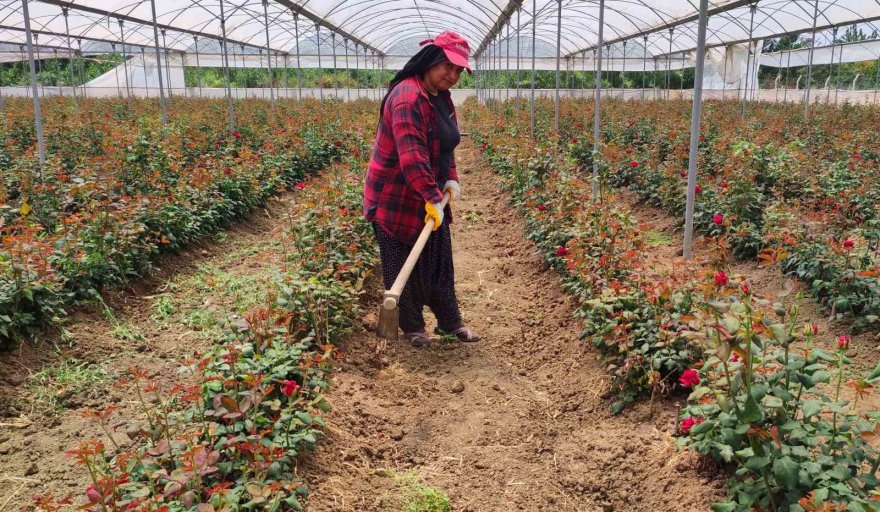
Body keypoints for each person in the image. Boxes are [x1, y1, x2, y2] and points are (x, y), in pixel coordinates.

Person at [363, 31, 481, 347]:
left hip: (428, 191)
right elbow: (412, 156)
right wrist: (432, 197)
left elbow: (446, 145)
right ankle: (412, 327)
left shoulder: (440, 98)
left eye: (458, 70)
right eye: (448, 66)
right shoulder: (407, 97)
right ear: (430, 61)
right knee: (401, 260)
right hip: (394, 197)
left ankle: (449, 322)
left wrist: (450, 179)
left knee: (439, 260)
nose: (453, 75)